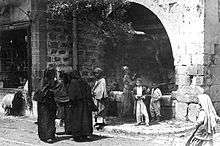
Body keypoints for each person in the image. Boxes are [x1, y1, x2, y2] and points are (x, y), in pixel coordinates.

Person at [68, 70, 93, 141]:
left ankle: (77, 136)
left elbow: (72, 95)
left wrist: (70, 102)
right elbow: (88, 90)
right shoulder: (83, 82)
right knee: (84, 119)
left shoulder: (73, 82)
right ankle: (85, 134)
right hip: (84, 103)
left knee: (76, 119)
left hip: (76, 104)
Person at [34, 67, 57, 143]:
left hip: (43, 103)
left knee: (43, 119)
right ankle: (48, 136)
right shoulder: (48, 81)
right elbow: (45, 91)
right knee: (48, 119)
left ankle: (43, 135)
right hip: (47, 102)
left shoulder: (42, 80)